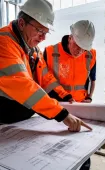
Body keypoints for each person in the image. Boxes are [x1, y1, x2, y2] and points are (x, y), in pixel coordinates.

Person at [0, 0, 92, 133]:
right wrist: (62, 114)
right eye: (39, 31)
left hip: (17, 117)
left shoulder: (33, 49)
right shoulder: (4, 42)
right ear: (21, 23)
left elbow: (46, 78)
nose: (43, 37)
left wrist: (64, 96)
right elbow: (23, 85)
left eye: (46, 32)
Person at [43, 20, 96, 103]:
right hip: (57, 104)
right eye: (77, 45)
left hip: (80, 104)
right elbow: (44, 79)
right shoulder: (50, 52)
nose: (80, 51)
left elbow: (93, 79)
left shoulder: (91, 55)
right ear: (70, 38)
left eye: (84, 48)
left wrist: (90, 97)